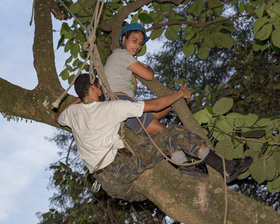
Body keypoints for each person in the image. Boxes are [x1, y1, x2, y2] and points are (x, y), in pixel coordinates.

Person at [55, 73, 253, 201]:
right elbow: (156, 105)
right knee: (172, 134)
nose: (102, 88)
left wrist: (79, 101)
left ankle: (188, 172)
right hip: (119, 170)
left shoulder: (72, 114)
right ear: (92, 88)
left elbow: (58, 116)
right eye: (98, 85)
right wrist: (179, 94)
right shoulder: (112, 108)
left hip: (110, 187)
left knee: (151, 184)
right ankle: (225, 168)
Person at [104, 23, 196, 172]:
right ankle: (185, 166)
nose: (138, 46)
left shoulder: (123, 60)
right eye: (134, 40)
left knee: (167, 106)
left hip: (124, 105)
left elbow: (133, 89)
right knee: (161, 130)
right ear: (123, 39)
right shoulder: (121, 54)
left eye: (140, 43)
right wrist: (146, 66)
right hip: (121, 103)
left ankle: (178, 96)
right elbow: (148, 75)